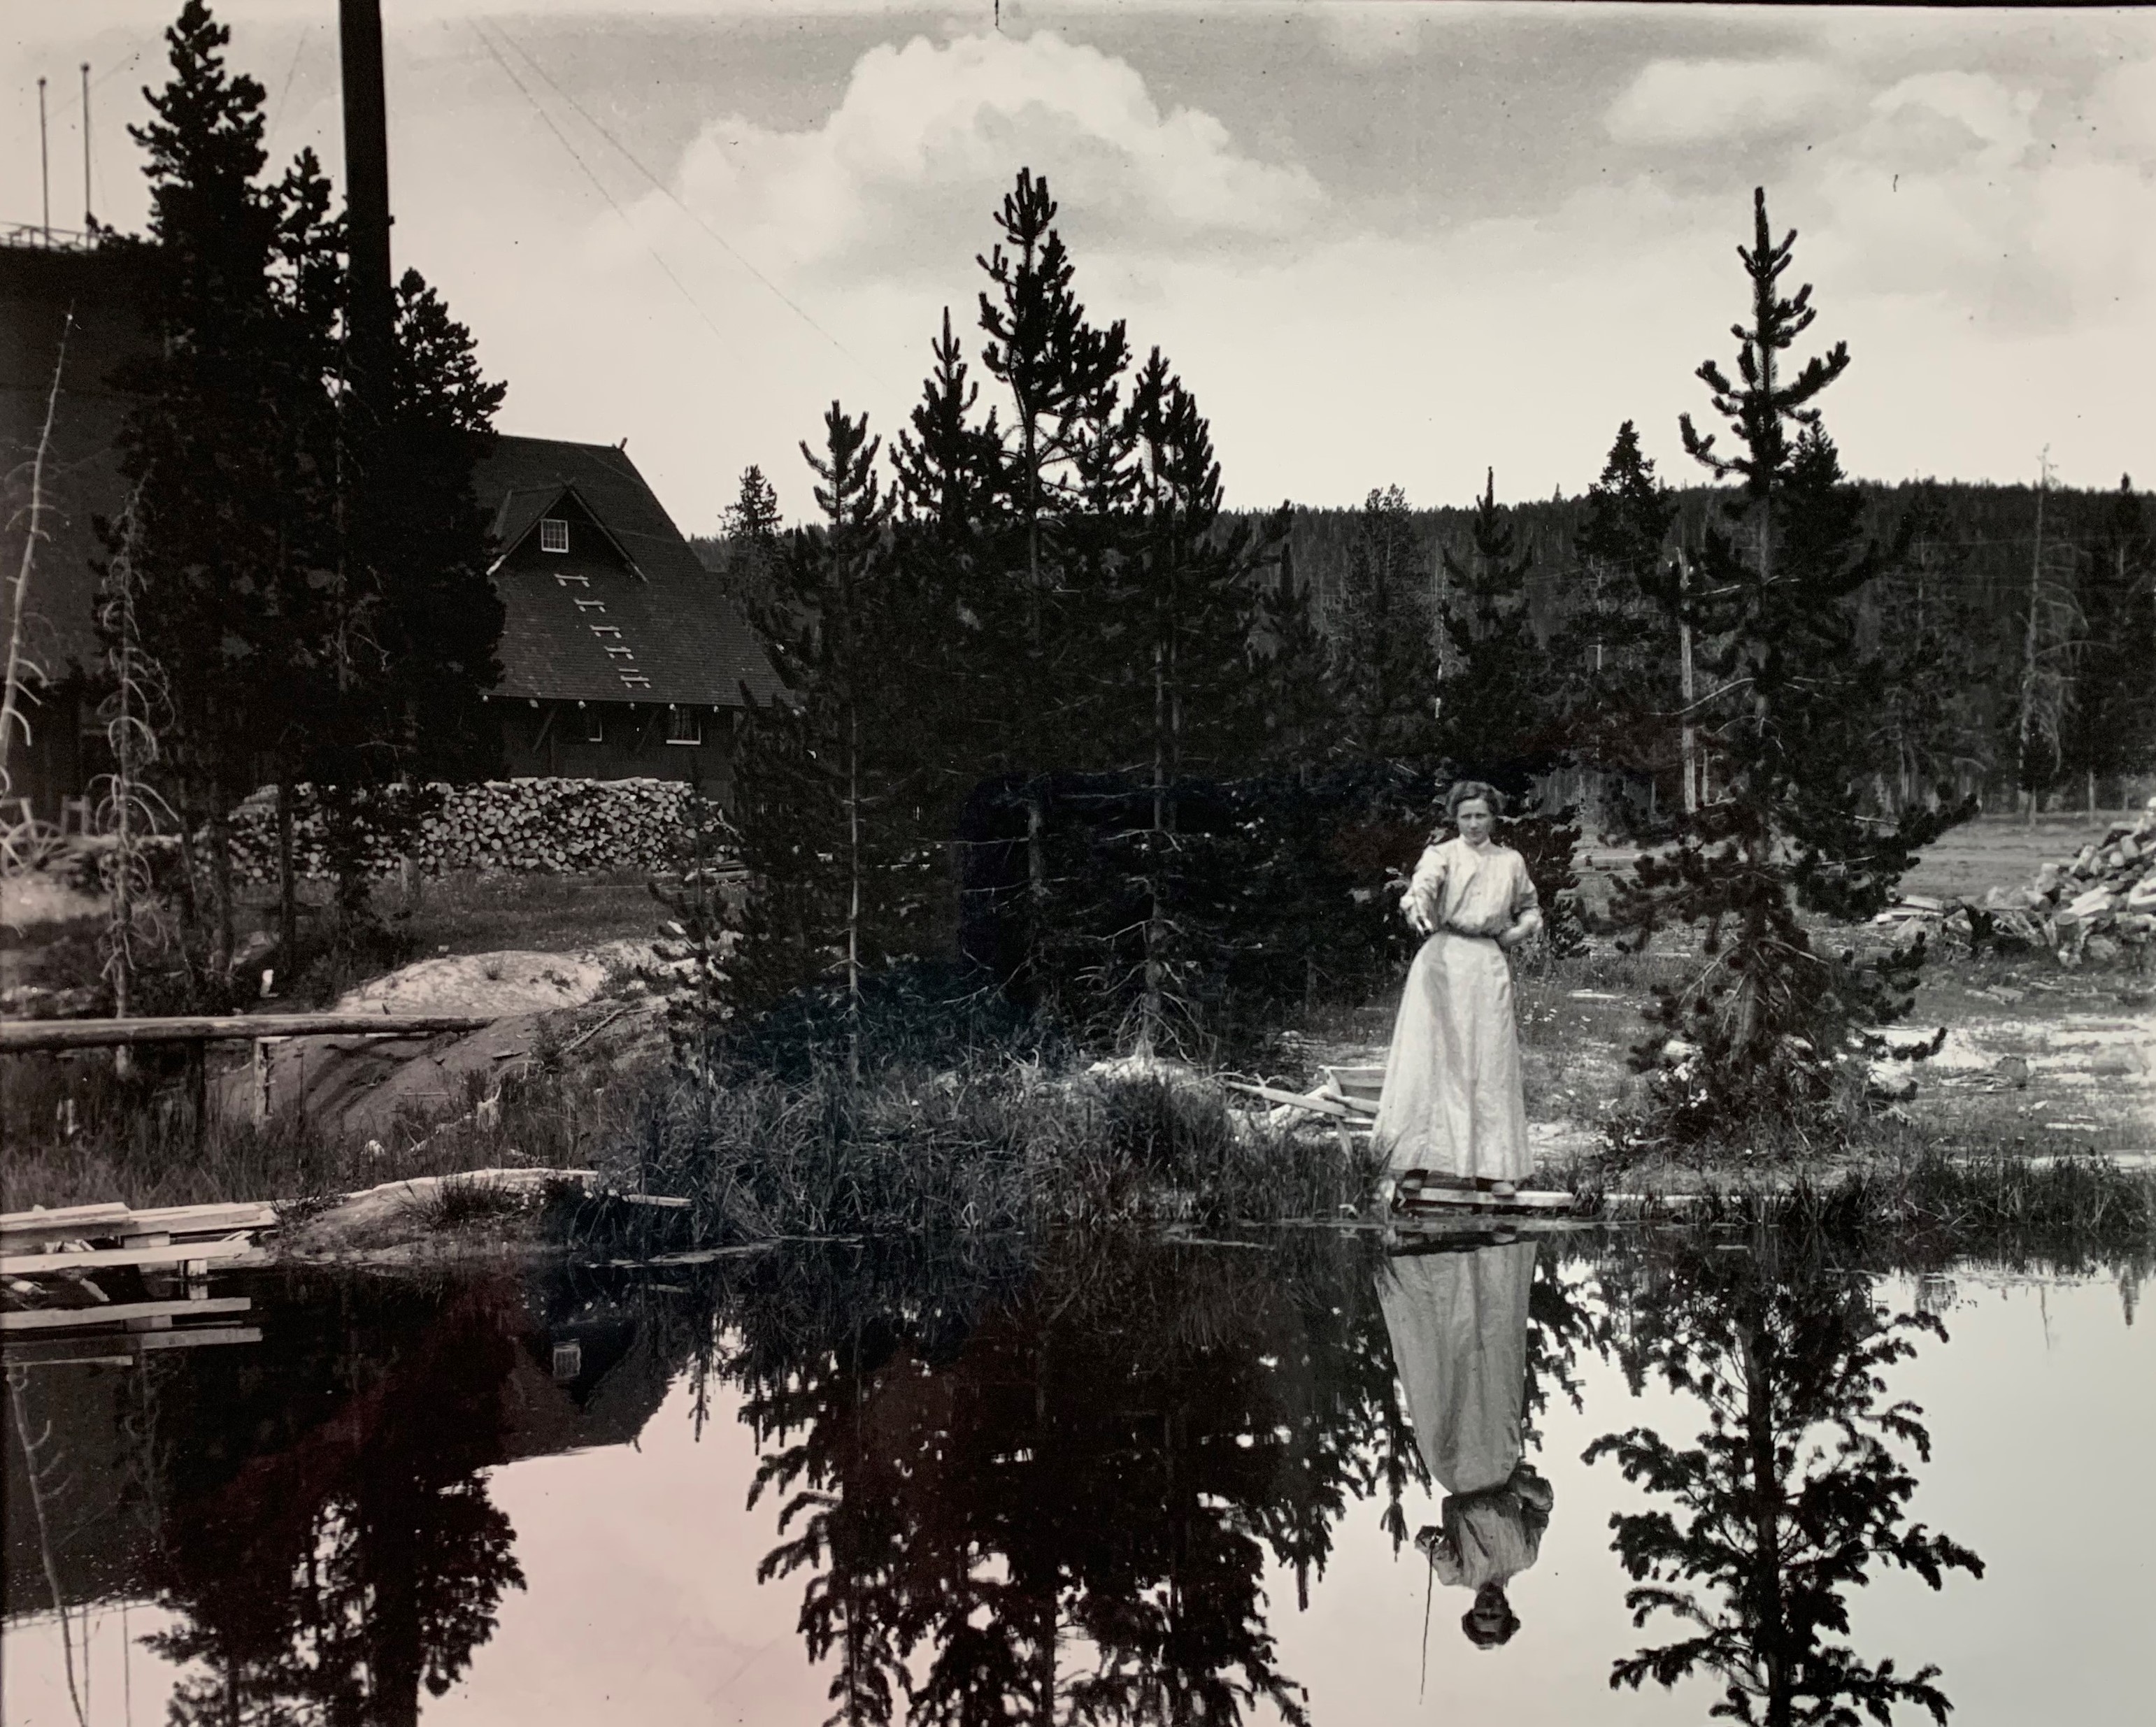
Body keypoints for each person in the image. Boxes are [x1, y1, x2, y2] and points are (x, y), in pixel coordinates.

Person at [1377, 1238, 1554, 1651]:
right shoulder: (1525, 1557)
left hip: (1454, 1464)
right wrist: (1524, 1489)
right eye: (1496, 1615)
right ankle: (1488, 1260)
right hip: (1499, 1455)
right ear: (1508, 1610)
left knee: (1441, 1369)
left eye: (1482, 1615)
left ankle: (1421, 1269)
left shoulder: (1457, 1576)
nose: (1488, 1608)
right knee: (1493, 1362)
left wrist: (1430, 1543)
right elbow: (1543, 1506)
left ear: (1472, 1610)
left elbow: (1436, 1550)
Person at [1371, 781, 1543, 1197]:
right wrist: (1418, 910)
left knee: (1489, 1060)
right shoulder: (1441, 855)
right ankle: (1417, 1161)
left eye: (1480, 815)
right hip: (1442, 961)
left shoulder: (1510, 861)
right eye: (1465, 816)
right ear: (1455, 818)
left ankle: (1493, 1167)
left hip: (1487, 963)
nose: (1473, 824)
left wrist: (1515, 935)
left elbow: (1531, 907)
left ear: (1493, 817)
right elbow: (1421, 890)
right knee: (1431, 1057)